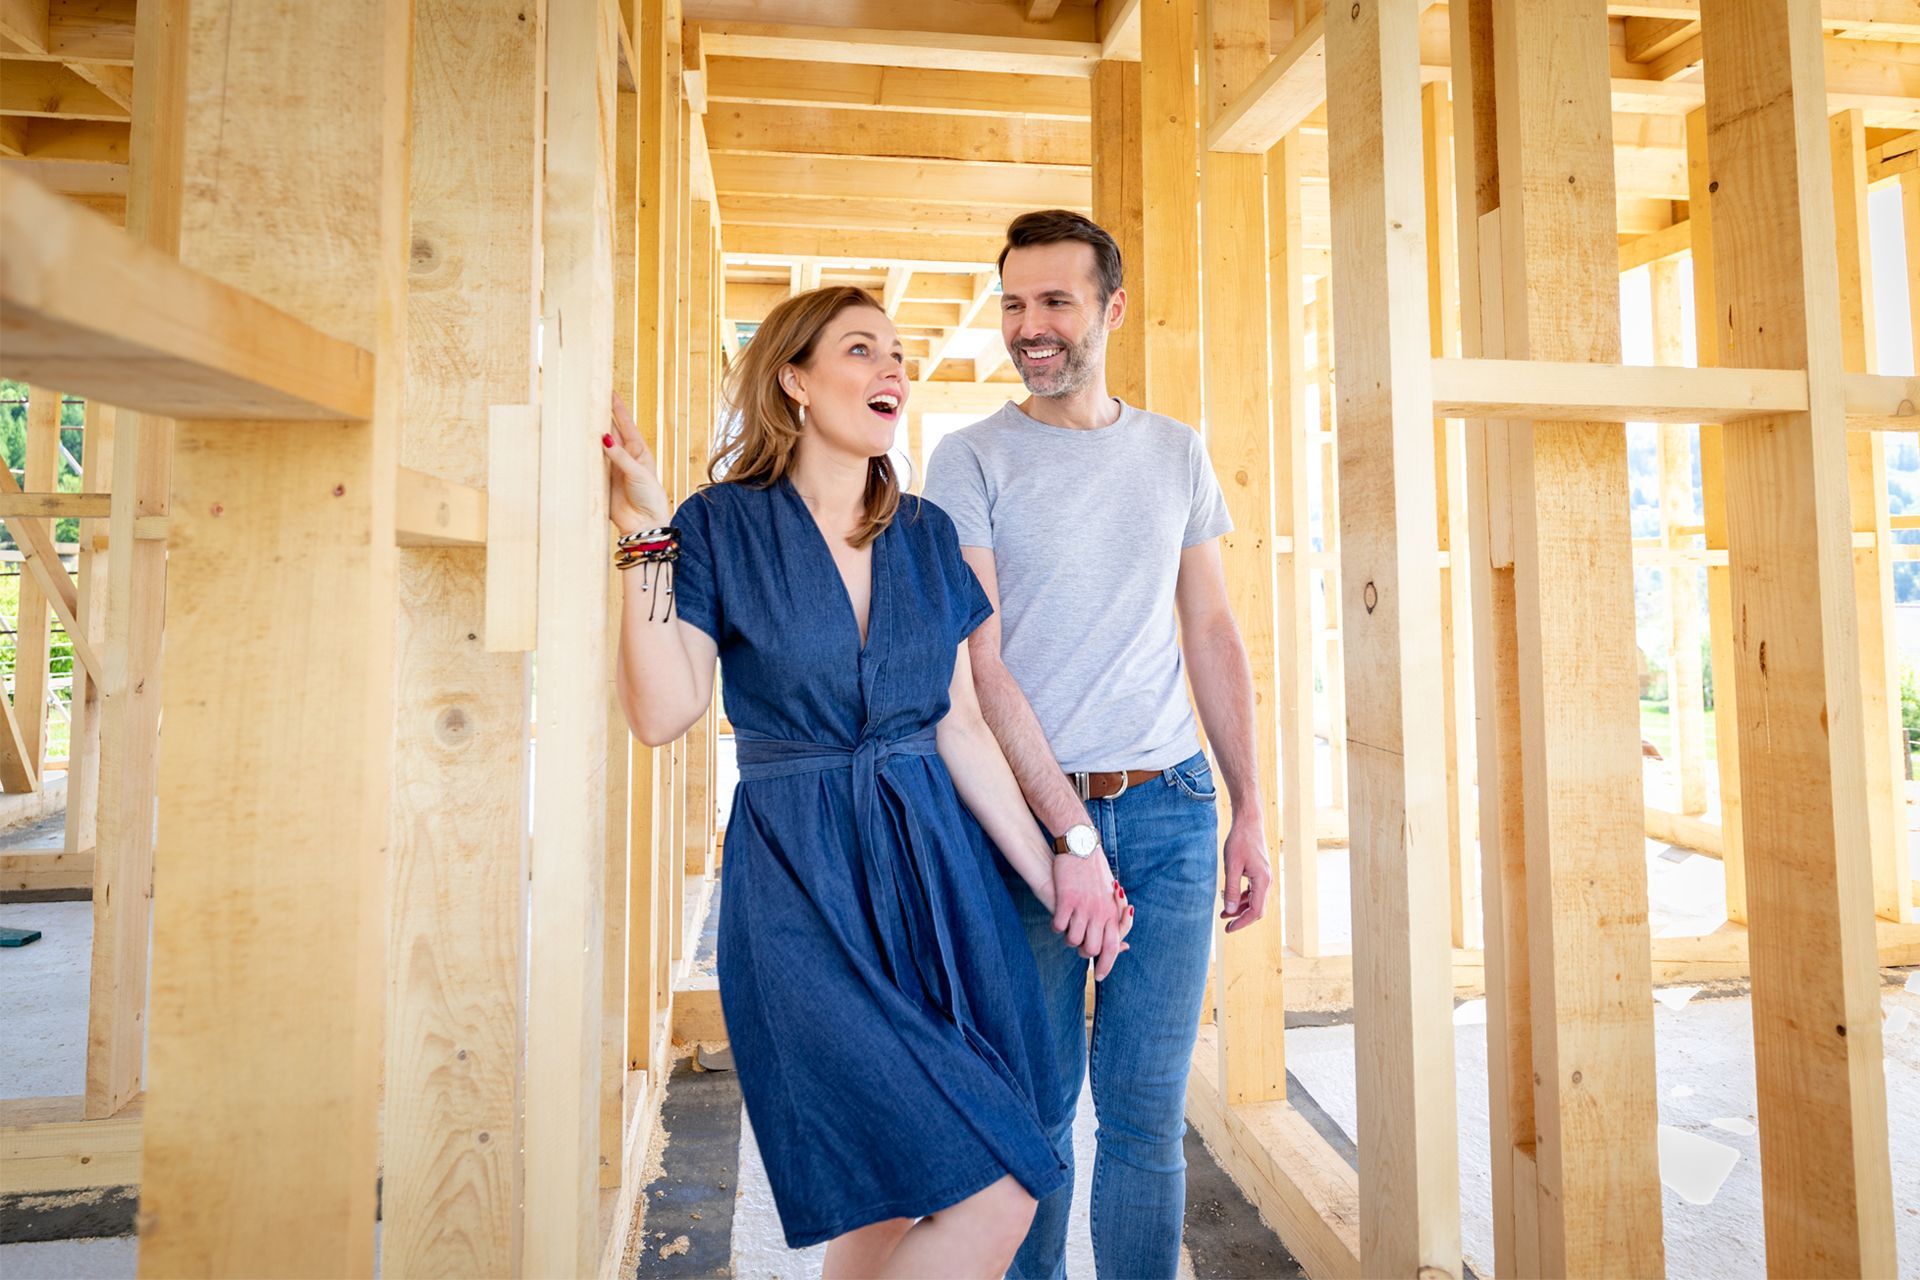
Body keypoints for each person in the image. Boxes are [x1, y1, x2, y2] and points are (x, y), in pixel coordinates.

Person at [600, 285, 1131, 1279]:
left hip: (937, 881)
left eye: (898, 352)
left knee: (899, 1198)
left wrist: (1064, 863)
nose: (893, 367)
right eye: (861, 349)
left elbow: (964, 725)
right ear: (795, 380)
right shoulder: (718, 524)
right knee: (997, 1192)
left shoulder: (927, 532)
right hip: (798, 885)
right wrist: (641, 535)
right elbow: (663, 710)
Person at [923, 210, 1274, 1279]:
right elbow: (984, 668)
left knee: (1144, 1119)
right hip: (1027, 824)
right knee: (1034, 1115)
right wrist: (1071, 839)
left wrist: (1250, 807)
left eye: (1055, 301)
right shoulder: (969, 457)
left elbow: (1210, 628)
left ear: (1111, 308)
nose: (1030, 326)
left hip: (1170, 810)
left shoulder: (1174, 452)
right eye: (1015, 302)